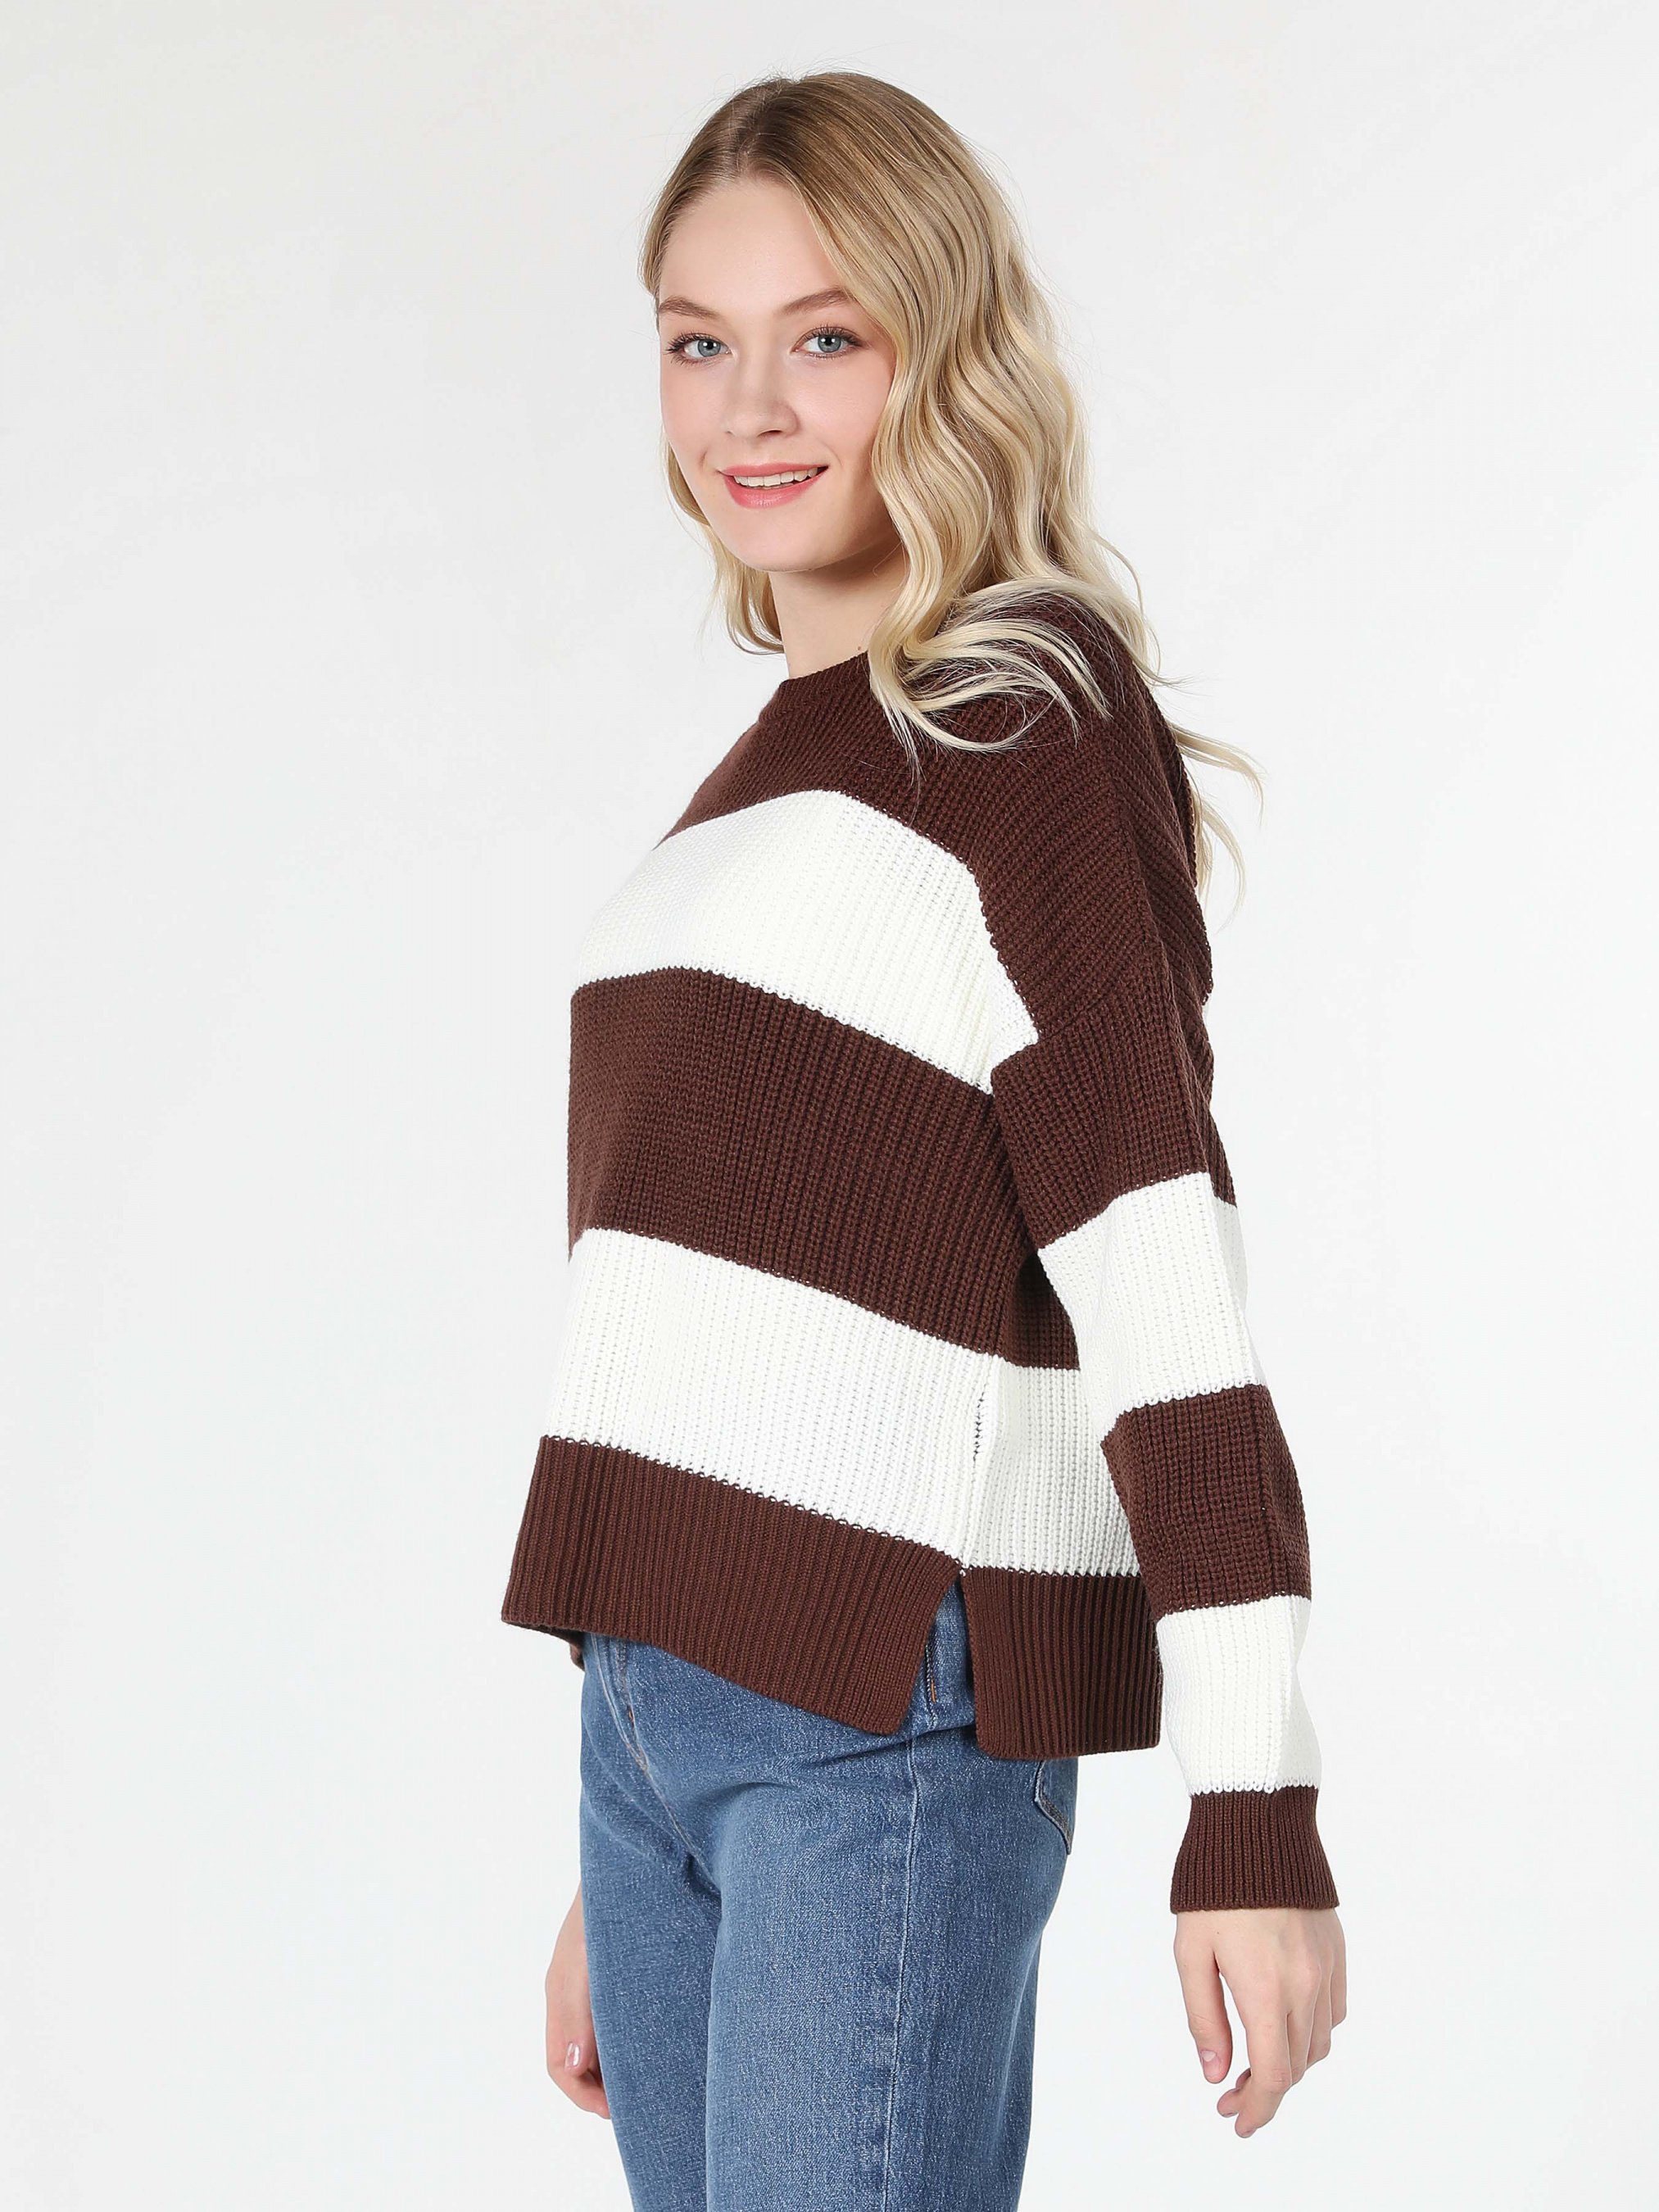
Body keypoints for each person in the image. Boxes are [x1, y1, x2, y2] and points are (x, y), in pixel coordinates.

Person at [501, 69, 1346, 2206]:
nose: (749, 406)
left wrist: (1251, 1809)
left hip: (877, 1714)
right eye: (698, 340)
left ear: (941, 347)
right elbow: (721, 1304)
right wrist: (636, 1824)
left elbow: (1156, 1263)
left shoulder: (1014, 715)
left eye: (826, 334)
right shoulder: (765, 777)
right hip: (670, 1722)